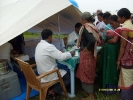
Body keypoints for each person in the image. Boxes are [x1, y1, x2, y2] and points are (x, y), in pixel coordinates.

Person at [35, 29, 75, 99]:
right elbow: (61, 57)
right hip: (49, 73)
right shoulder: (49, 46)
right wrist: (71, 53)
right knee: (68, 78)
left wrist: (58, 52)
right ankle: (53, 91)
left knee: (62, 70)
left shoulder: (39, 45)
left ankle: (52, 89)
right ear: (49, 37)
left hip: (41, 73)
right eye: (52, 37)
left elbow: (49, 53)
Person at [76, 12, 100, 100]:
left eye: (81, 19)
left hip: (87, 54)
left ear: (84, 20)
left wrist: (87, 48)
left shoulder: (86, 27)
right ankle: (88, 91)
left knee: (87, 72)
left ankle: (91, 96)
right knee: (88, 71)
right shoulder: (92, 26)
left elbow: (92, 40)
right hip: (91, 53)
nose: (80, 21)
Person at [98, 15, 121, 94]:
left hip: (114, 51)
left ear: (117, 21)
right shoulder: (114, 28)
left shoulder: (119, 29)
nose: (111, 25)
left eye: (112, 23)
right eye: (110, 23)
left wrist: (107, 41)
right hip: (110, 50)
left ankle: (113, 89)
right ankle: (108, 87)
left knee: (112, 68)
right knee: (108, 67)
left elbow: (114, 41)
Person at [117, 8, 133, 100]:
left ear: (123, 17)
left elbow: (123, 46)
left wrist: (119, 59)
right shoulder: (131, 24)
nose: (118, 20)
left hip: (128, 55)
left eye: (119, 18)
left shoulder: (126, 27)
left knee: (127, 76)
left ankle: (126, 97)